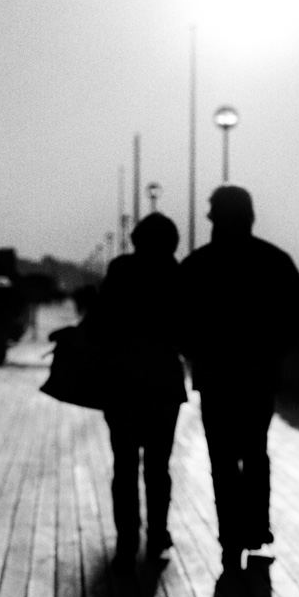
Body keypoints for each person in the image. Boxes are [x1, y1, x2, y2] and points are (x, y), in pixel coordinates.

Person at [180, 185, 299, 571]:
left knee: (222, 459)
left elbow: (178, 318)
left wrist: (197, 351)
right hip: (258, 375)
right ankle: (255, 528)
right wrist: (273, 350)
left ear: (217, 218)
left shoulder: (198, 264)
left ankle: (230, 537)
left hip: (215, 377)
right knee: (254, 453)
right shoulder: (273, 260)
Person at [94, 213, 187, 571]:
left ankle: (127, 539)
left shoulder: (122, 271)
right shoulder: (176, 273)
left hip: (124, 382)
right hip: (163, 382)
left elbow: (102, 320)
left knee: (125, 465)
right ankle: (158, 533)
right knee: (159, 467)